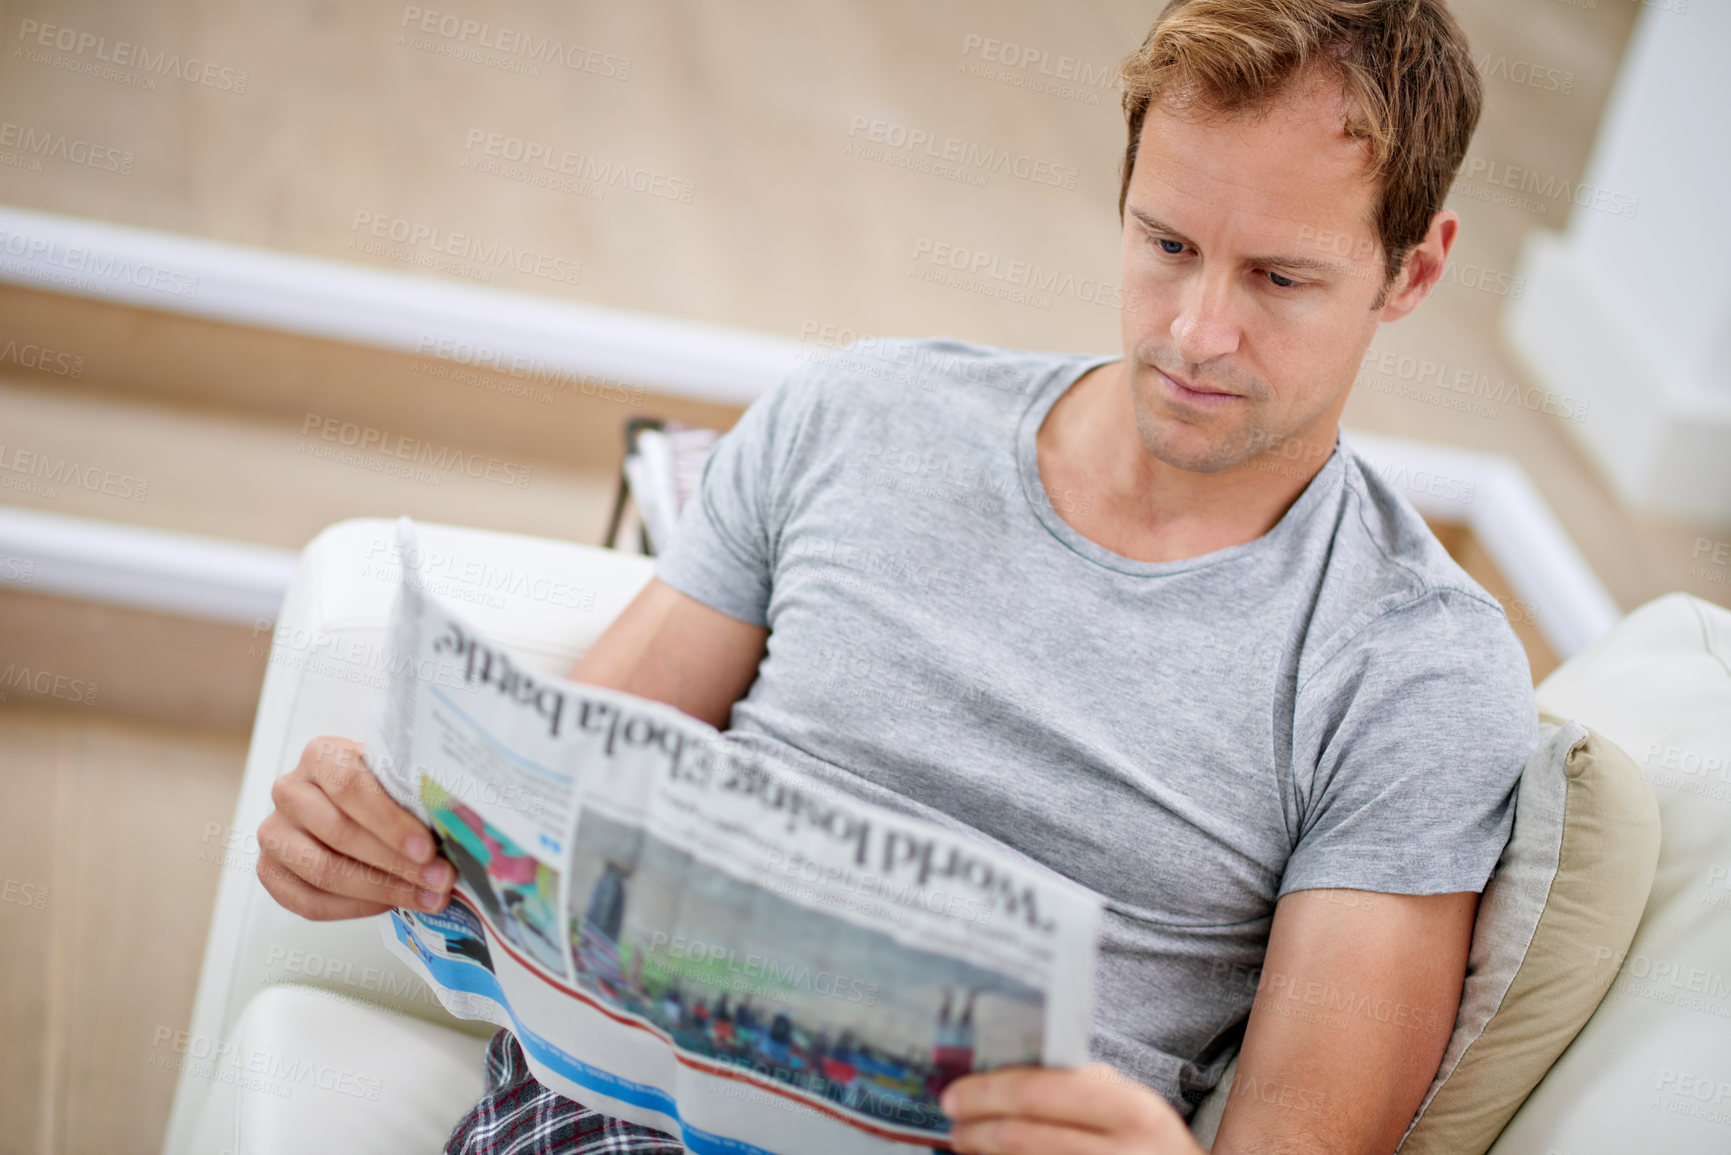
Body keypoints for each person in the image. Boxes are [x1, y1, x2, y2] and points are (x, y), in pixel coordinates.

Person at [253, 2, 1538, 1151]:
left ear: (1412, 269)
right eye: (1165, 245)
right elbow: (553, 804)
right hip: (609, 1118)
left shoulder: (1413, 665)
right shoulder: (860, 413)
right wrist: (380, 835)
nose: (1198, 334)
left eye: (1279, 278)